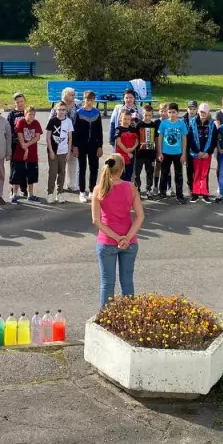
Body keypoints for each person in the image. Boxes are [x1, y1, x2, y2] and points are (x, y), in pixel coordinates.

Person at [92, 154, 145, 308]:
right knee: (127, 282)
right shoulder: (131, 187)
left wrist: (117, 238)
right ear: (122, 169)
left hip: (107, 242)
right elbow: (140, 216)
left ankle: (107, 320)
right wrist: (126, 238)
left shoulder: (99, 189)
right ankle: (127, 320)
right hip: (129, 243)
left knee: (107, 284)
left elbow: (96, 221)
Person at [73, 91, 103, 203]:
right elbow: (74, 131)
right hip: (81, 145)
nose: (89, 102)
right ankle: (81, 192)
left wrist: (100, 146)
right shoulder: (78, 112)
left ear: (94, 100)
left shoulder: (96, 113)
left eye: (91, 100)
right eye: (87, 100)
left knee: (94, 168)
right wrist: (75, 146)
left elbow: (99, 131)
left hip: (94, 145)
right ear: (84, 99)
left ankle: (92, 191)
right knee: (82, 168)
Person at [156, 103, 188, 203]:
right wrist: (160, 152)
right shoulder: (164, 123)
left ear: (177, 112)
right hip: (165, 153)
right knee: (164, 173)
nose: (171, 114)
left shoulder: (181, 124)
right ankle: (162, 192)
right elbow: (160, 138)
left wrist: (183, 154)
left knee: (178, 175)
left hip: (178, 153)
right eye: (169, 112)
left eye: (173, 112)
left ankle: (179, 195)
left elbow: (184, 139)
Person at [11, 106, 43, 203]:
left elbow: (37, 137)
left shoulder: (36, 123)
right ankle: (14, 194)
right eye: (30, 114)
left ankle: (30, 194)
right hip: (19, 153)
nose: (32, 116)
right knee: (17, 174)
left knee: (31, 175)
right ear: (25, 114)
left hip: (32, 154)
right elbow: (20, 136)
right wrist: (25, 148)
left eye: (33, 114)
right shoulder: (21, 122)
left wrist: (27, 147)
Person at [187, 103, 216, 203]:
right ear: (198, 112)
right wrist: (197, 151)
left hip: (207, 154)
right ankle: (195, 193)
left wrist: (208, 152)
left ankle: (204, 193)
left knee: (204, 173)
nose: (202, 114)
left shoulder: (212, 124)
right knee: (196, 173)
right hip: (196, 153)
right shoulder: (193, 122)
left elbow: (214, 140)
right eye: (201, 112)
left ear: (208, 113)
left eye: (204, 112)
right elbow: (190, 139)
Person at [46, 101, 75, 203]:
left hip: (64, 152)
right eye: (59, 109)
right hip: (53, 151)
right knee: (53, 173)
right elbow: (48, 137)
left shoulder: (69, 122)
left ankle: (60, 193)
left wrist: (68, 152)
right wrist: (50, 150)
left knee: (62, 172)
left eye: (64, 110)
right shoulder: (52, 121)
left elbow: (70, 138)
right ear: (56, 110)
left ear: (66, 111)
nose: (61, 112)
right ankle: (50, 194)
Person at [133, 104, 159, 197]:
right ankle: (138, 190)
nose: (147, 117)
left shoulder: (154, 125)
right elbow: (135, 139)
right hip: (139, 154)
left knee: (150, 172)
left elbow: (156, 139)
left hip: (150, 155)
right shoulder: (139, 125)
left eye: (149, 115)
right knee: (137, 173)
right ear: (142, 114)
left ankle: (148, 189)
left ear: (152, 115)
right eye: (145, 115)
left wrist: (157, 152)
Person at [57, 88, 80, 192]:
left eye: (74, 94)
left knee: (73, 161)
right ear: (65, 96)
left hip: (74, 137)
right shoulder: (59, 106)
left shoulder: (78, 106)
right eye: (71, 95)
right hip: (61, 138)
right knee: (60, 163)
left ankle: (72, 184)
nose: (74, 96)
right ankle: (59, 185)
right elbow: (51, 121)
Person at [6, 93, 27, 200]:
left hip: (27, 145)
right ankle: (13, 190)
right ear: (14, 103)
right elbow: (8, 131)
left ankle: (24, 188)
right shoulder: (12, 114)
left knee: (26, 167)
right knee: (15, 168)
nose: (19, 104)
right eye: (17, 102)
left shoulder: (27, 113)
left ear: (25, 101)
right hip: (15, 144)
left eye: (21, 101)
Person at [114, 110, 139, 184]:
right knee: (120, 174)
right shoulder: (118, 129)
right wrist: (126, 151)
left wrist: (132, 149)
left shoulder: (133, 129)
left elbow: (137, 141)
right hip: (121, 156)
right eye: (124, 119)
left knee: (129, 174)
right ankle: (119, 191)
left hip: (131, 156)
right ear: (120, 118)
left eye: (128, 119)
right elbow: (119, 142)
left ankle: (127, 191)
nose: (126, 121)